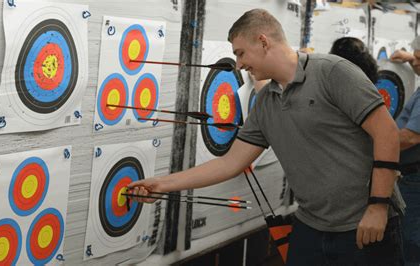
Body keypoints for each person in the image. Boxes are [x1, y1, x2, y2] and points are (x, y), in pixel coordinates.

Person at [129, 9, 404, 265]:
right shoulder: (265, 103)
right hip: (310, 226)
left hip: (365, 224)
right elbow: (229, 164)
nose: (238, 65)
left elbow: (387, 133)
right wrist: (162, 184)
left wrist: (378, 207)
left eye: (240, 53)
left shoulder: (333, 72)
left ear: (263, 41)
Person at [391, 38, 420, 266]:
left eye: (419, 59)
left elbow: (411, 136)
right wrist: (411, 57)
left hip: (415, 179)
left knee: (411, 240)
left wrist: (375, 146)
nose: (415, 63)